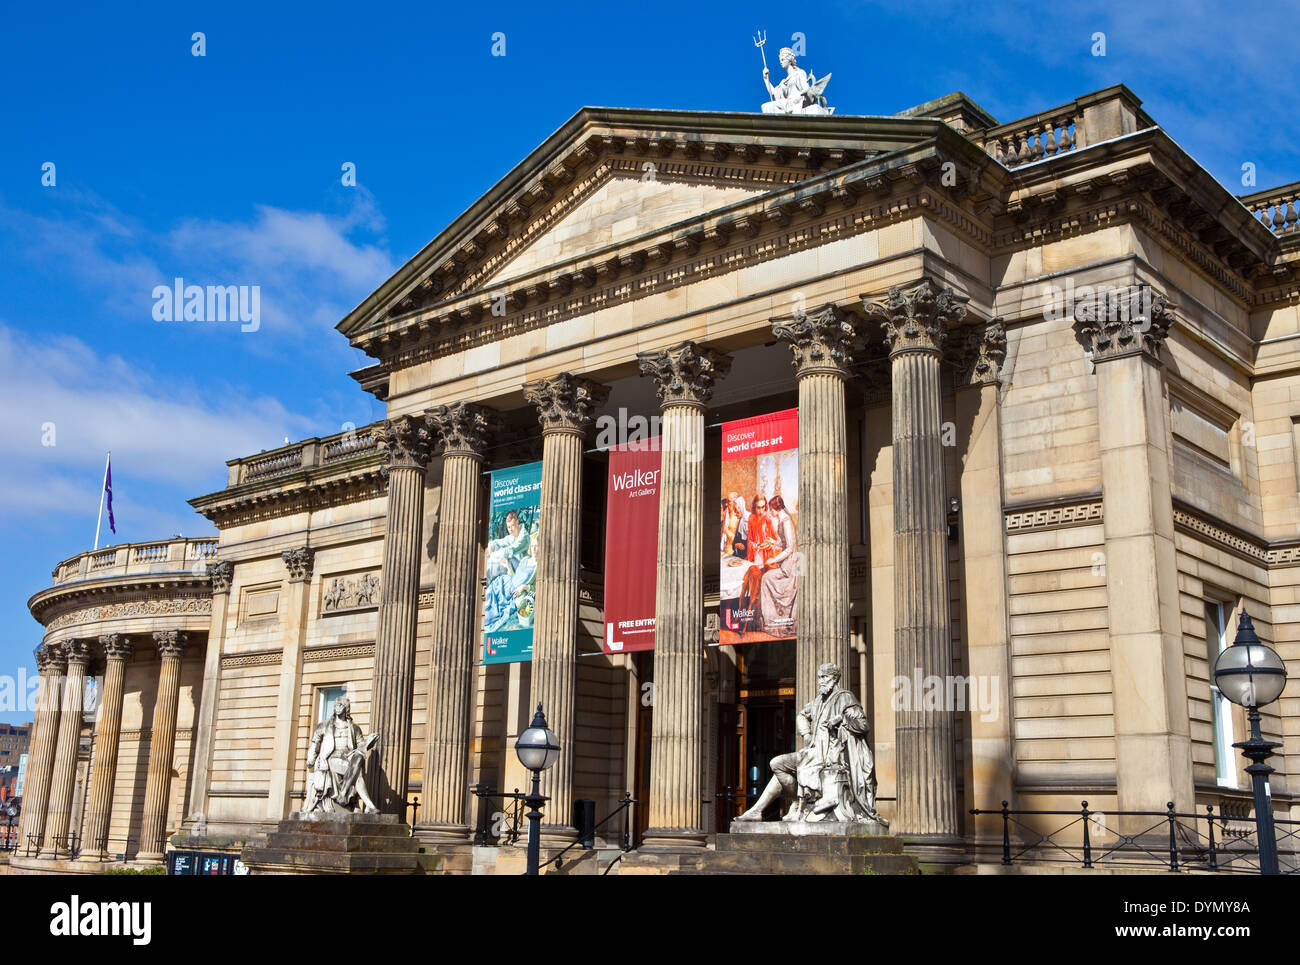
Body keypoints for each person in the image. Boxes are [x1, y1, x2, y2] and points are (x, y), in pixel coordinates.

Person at [737, 663, 884, 825]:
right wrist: (806, 733)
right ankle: (781, 805)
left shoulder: (845, 697)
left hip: (832, 755)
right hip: (814, 752)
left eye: (824, 677)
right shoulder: (818, 701)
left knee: (788, 766)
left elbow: (863, 725)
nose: (820, 681)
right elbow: (801, 715)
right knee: (777, 763)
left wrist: (842, 719)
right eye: (819, 677)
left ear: (834, 679)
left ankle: (780, 807)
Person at [303, 696, 379, 814]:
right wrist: (311, 759)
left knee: (358, 760)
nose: (337, 708)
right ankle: (369, 805)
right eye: (335, 705)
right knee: (357, 772)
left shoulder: (354, 728)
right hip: (331, 757)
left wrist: (369, 742)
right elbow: (315, 743)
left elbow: (360, 746)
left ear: (346, 708)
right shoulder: (324, 725)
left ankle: (345, 795)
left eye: (340, 705)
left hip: (348, 757)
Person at [484, 525, 539, 632]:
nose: (534, 549)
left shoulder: (539, 566)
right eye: (532, 546)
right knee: (490, 595)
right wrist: (508, 566)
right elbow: (516, 576)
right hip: (506, 582)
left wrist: (525, 587)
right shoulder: (525, 560)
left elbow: (538, 587)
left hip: (515, 593)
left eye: (537, 546)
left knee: (496, 611)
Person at [758, 495, 798, 634]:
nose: (770, 512)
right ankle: (771, 619)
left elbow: (790, 548)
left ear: (777, 508)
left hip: (790, 567)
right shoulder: (782, 520)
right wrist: (772, 542)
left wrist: (774, 560)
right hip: (786, 564)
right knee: (766, 577)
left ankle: (772, 620)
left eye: (771, 509)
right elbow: (783, 543)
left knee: (766, 578)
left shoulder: (786, 521)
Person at [486, 510, 529, 582]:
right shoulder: (512, 536)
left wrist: (493, 555)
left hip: (521, 569)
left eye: (512, 526)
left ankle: (495, 578)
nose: (510, 529)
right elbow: (499, 542)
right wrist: (492, 545)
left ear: (517, 522)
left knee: (507, 556)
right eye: (508, 527)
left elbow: (511, 550)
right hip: (511, 565)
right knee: (496, 546)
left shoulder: (524, 536)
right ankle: (495, 578)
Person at [746, 495, 779, 567]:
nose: (761, 511)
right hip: (755, 554)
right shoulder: (751, 518)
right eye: (758, 508)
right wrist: (752, 545)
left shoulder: (769, 519)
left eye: (763, 507)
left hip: (767, 555)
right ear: (754, 507)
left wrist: (769, 545)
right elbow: (749, 538)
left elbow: (775, 540)